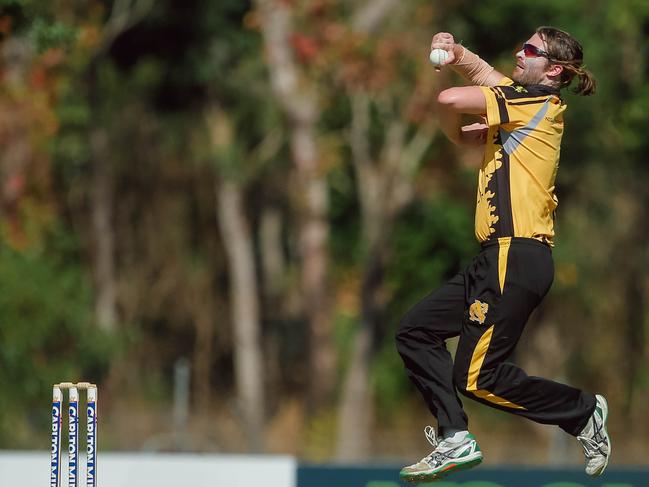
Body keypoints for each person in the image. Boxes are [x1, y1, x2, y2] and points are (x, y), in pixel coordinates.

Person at [395, 27, 610, 483]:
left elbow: (453, 100)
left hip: (519, 254)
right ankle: (454, 436)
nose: (519, 51)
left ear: (553, 69)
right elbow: (476, 83)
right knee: (415, 332)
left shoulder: (535, 103)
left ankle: (583, 411)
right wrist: (455, 52)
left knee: (475, 377)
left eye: (530, 50)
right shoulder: (518, 100)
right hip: (494, 256)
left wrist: (453, 107)